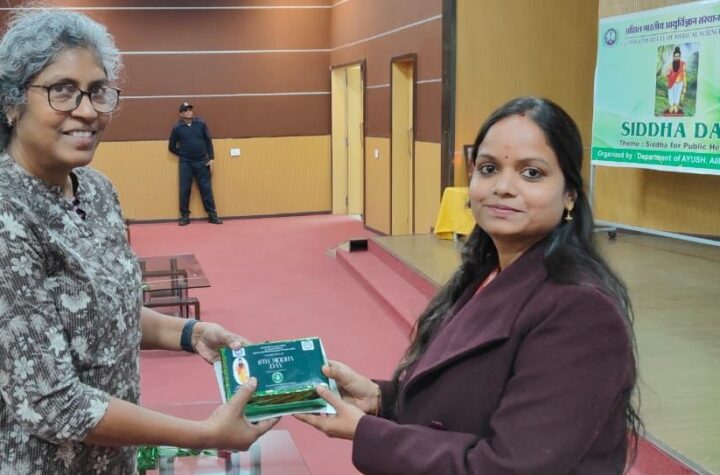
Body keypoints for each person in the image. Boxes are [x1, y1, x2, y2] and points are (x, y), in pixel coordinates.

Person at [297, 97, 641, 474]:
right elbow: (465, 401)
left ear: (570, 194)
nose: (503, 187)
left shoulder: (582, 312)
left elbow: (508, 468)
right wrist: (382, 398)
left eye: (532, 173)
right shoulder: (487, 273)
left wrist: (367, 433)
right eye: (489, 168)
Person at [0, 9, 275, 473]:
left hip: (114, 461)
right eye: (61, 90)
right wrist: (205, 435)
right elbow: (55, 404)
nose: (87, 111)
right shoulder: (8, 213)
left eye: (97, 91)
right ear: (11, 102)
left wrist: (189, 333)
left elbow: (103, 311)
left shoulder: (97, 190)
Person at [169, 102, 223, 225]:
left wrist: (211, 158)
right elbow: (171, 147)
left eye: (190, 110)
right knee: (184, 190)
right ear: (181, 114)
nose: (189, 112)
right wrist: (183, 154)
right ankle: (184, 216)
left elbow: (208, 141)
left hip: (202, 162)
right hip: (185, 163)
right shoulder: (177, 128)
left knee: (206, 189)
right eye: (185, 110)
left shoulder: (201, 124)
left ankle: (212, 215)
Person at [666, 46, 686, 115]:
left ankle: (675, 106)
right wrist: (667, 74)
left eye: (678, 56)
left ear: (680, 56)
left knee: (677, 98)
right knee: (671, 103)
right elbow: (668, 76)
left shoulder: (683, 64)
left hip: (679, 83)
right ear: (673, 57)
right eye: (675, 56)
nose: (676, 57)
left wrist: (685, 87)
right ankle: (672, 106)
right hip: (671, 83)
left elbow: (684, 75)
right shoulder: (670, 65)